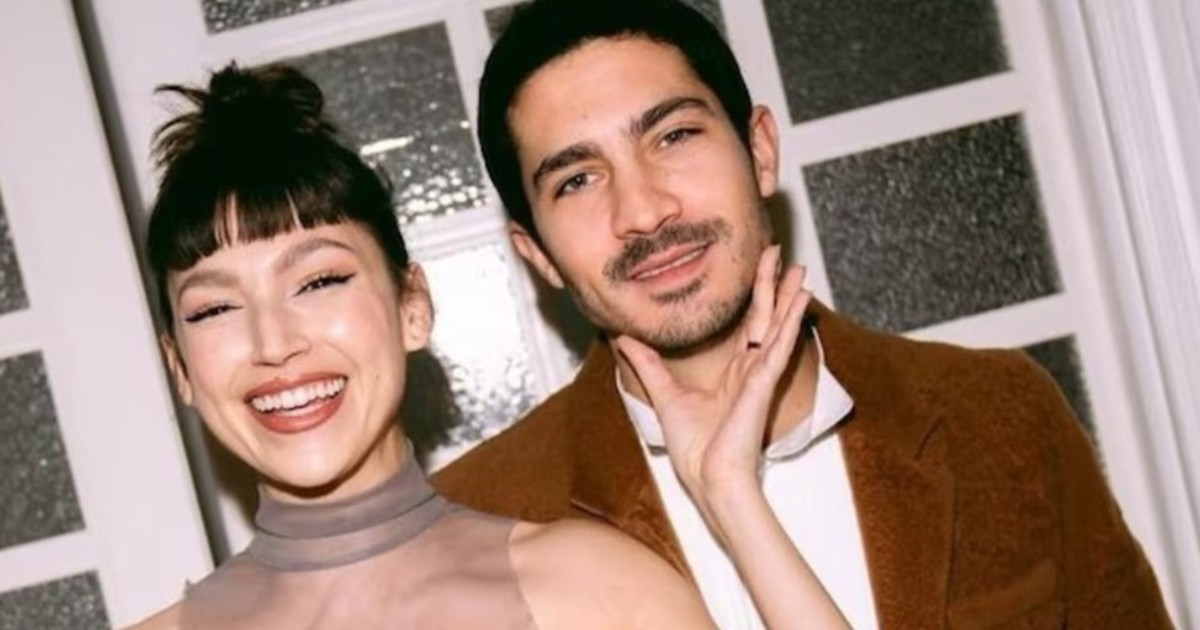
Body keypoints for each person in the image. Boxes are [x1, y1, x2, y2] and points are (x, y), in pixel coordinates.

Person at [432, 0, 1174, 627]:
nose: (645, 210)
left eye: (674, 136)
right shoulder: (474, 528)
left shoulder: (997, 414)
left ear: (759, 151)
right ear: (536, 253)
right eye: (577, 179)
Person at [127, 63, 849, 629]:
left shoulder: (594, 592)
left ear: (413, 308)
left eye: (319, 282)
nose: (274, 342)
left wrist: (731, 496)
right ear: (179, 367)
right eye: (216, 308)